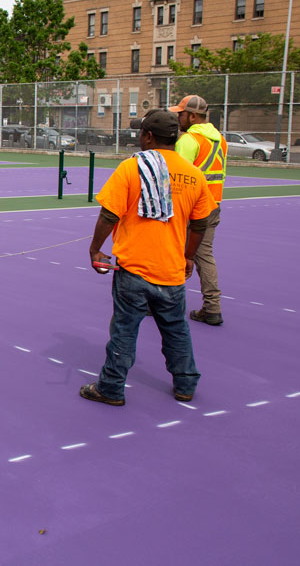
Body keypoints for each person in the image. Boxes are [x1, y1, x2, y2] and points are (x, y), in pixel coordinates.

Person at [81, 109, 216, 406]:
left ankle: (111, 387)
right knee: (177, 331)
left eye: (142, 133)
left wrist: (95, 248)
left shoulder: (132, 168)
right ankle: (185, 384)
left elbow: (109, 214)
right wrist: (189, 256)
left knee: (124, 332)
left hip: (134, 269)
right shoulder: (194, 175)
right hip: (171, 270)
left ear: (148, 136)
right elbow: (201, 223)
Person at [170, 94, 227, 326]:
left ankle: (162, 302)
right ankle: (212, 307)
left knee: (170, 251)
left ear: (192, 116)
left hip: (189, 206)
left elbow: (177, 178)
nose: (178, 117)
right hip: (212, 204)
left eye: (181, 114)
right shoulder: (219, 139)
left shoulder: (188, 140)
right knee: (204, 256)